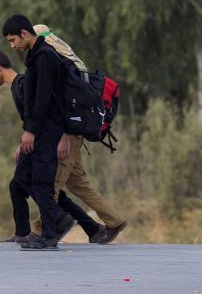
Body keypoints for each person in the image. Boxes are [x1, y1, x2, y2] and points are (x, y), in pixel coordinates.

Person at [0, 50, 102, 243]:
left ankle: (59, 221)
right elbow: (30, 121)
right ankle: (87, 227)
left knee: (35, 186)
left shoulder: (21, 84)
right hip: (37, 142)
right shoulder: (18, 86)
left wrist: (61, 137)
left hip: (46, 142)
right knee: (28, 186)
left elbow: (44, 113)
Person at [30, 24, 128, 244]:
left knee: (53, 182)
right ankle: (114, 221)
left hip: (69, 134)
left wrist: (64, 134)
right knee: (77, 182)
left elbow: (68, 105)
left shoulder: (59, 62)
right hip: (73, 133)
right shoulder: (67, 56)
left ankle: (39, 230)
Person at [2, 14, 66, 251]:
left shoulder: (45, 57)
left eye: (13, 40)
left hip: (45, 129)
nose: (12, 45)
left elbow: (43, 99)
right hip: (36, 129)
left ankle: (50, 234)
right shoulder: (35, 56)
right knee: (21, 178)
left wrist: (31, 131)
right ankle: (51, 225)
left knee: (41, 180)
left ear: (25, 34)